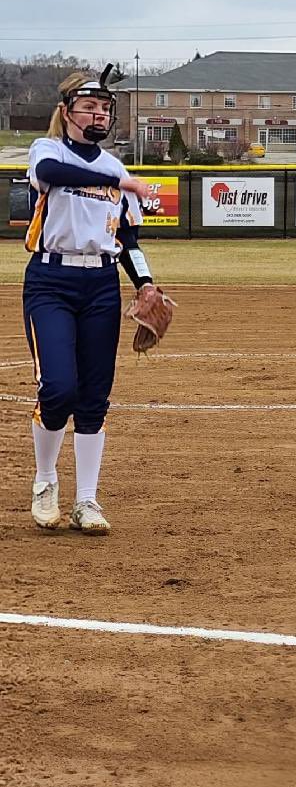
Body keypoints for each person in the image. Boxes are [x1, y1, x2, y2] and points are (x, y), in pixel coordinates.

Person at [23, 65, 155, 534]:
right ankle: (44, 481)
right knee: (58, 388)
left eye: (104, 107)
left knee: (94, 397)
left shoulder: (115, 166)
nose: (99, 113)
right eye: (89, 106)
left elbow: (129, 242)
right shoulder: (49, 150)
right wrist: (121, 183)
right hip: (51, 281)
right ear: (67, 112)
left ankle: (86, 501)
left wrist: (146, 284)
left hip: (100, 285)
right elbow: (49, 173)